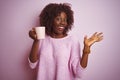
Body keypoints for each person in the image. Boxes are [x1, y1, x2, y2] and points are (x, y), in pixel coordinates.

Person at [28, 3, 103, 80]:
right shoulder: (41, 38)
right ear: (49, 20)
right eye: (58, 19)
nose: (63, 23)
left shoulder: (72, 40)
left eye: (65, 20)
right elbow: (32, 64)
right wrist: (36, 40)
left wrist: (86, 51)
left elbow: (79, 73)